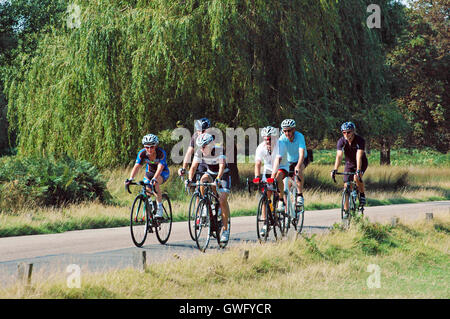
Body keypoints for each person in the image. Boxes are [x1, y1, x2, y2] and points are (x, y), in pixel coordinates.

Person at [186, 133, 231, 243]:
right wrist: (189, 180)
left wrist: (218, 179)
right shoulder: (199, 152)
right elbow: (193, 168)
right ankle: (205, 205)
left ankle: (225, 230)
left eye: (204, 146)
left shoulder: (219, 150)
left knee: (222, 200)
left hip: (223, 175)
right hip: (210, 173)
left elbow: (221, 167)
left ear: (211, 144)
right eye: (200, 146)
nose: (202, 149)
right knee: (202, 181)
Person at [125, 134, 170, 218]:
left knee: (155, 184)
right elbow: (137, 166)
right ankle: (149, 217)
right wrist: (131, 179)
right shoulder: (142, 153)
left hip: (162, 172)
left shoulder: (161, 153)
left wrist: (154, 179)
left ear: (156, 146)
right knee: (147, 191)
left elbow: (160, 168)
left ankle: (159, 209)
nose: (149, 149)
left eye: (152, 147)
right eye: (147, 147)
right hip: (149, 172)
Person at [271, 119, 310, 214]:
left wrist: (298, 165)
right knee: (285, 185)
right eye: (285, 131)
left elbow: (301, 153)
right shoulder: (282, 139)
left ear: (294, 130)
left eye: (289, 130)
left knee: (299, 170)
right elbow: (279, 155)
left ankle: (300, 195)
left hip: (300, 159)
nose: (287, 133)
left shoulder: (299, 136)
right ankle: (287, 208)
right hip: (288, 161)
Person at [331, 121, 368, 218]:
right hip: (349, 163)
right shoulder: (341, 141)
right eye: (344, 132)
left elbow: (359, 155)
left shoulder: (360, 140)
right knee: (346, 186)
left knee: (356, 177)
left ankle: (362, 194)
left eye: (348, 132)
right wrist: (335, 169)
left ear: (353, 132)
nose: (346, 134)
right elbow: (339, 156)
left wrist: (358, 170)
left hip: (361, 162)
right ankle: (346, 212)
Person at [253, 126, 279, 237]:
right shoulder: (261, 147)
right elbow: (258, 163)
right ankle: (265, 222)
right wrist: (257, 177)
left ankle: (280, 207)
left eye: (270, 138)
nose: (267, 141)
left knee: (277, 188)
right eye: (265, 138)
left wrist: (273, 178)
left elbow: (278, 161)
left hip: (278, 168)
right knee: (265, 195)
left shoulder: (278, 145)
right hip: (268, 169)